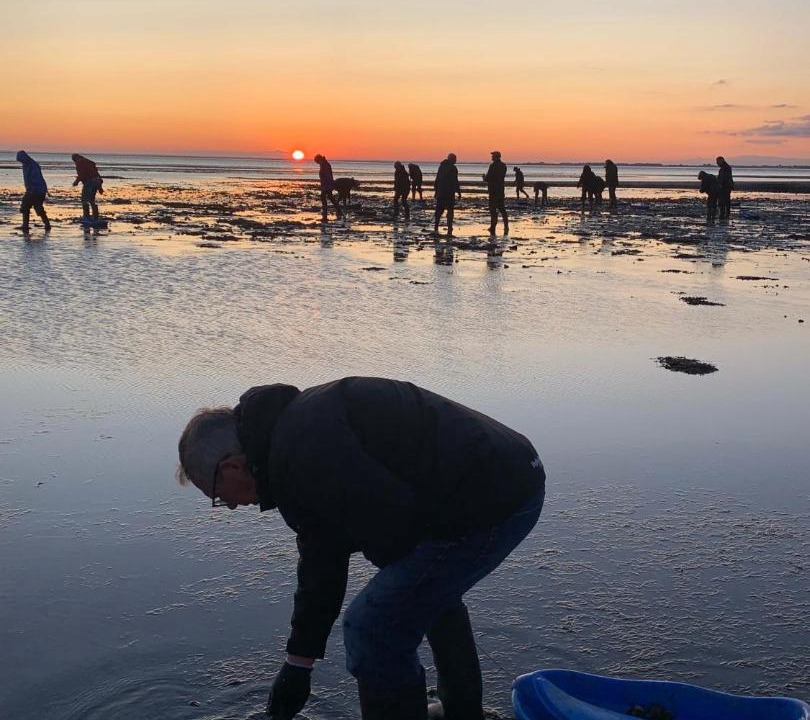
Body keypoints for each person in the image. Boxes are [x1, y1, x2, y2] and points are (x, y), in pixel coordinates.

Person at [177, 377, 545, 720]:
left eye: (218, 497)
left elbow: (393, 531)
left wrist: (400, 592)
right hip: (503, 477)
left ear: (229, 468)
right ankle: (461, 711)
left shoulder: (306, 449)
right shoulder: (289, 442)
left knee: (372, 627)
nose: (232, 506)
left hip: (496, 498)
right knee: (420, 592)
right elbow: (323, 557)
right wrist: (298, 663)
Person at [16, 151, 51, 233]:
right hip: (31, 190)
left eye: (21, 159)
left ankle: (46, 224)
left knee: (37, 208)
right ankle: (26, 225)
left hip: (37, 189)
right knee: (26, 207)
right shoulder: (26, 165)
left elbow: (36, 178)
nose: (21, 161)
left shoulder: (33, 165)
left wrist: (32, 188)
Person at [434, 153, 461, 235]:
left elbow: (437, 179)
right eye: (455, 159)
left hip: (441, 192)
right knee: (450, 210)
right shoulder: (453, 168)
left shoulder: (441, 166)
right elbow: (455, 181)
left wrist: (436, 191)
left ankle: (436, 225)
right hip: (449, 193)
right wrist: (459, 192)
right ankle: (449, 226)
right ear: (452, 159)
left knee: (439, 211)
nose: (456, 160)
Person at [71, 153, 103, 222]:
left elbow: (82, 174)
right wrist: (100, 187)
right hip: (96, 181)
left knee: (84, 200)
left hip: (89, 182)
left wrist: (76, 182)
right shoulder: (90, 162)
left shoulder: (79, 163)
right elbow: (97, 174)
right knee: (91, 200)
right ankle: (96, 217)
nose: (74, 162)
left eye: (74, 160)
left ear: (75, 159)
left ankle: (86, 217)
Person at [483, 151, 508, 234]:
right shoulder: (504, 166)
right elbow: (501, 177)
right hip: (500, 190)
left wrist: (484, 178)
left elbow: (488, 178)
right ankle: (506, 226)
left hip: (493, 191)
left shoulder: (492, 166)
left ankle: (493, 227)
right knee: (502, 209)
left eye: (493, 155)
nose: (491, 157)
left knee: (493, 210)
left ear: (496, 156)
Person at [314, 154, 343, 221]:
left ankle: (325, 216)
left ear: (320, 159)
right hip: (326, 185)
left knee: (324, 199)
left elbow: (327, 176)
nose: (317, 163)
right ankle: (339, 211)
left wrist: (327, 184)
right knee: (331, 198)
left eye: (317, 162)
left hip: (327, 185)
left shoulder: (325, 165)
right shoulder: (323, 164)